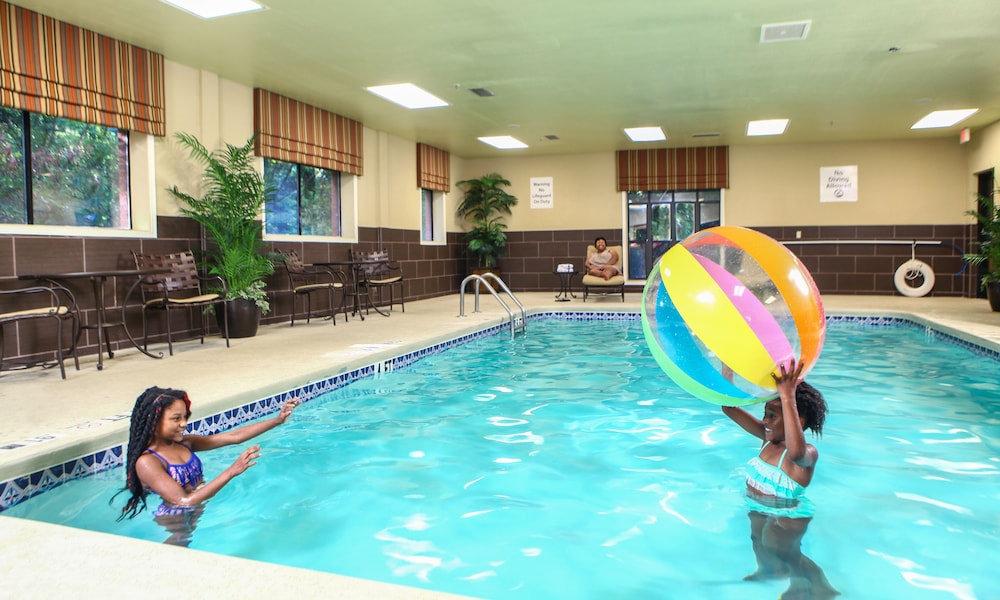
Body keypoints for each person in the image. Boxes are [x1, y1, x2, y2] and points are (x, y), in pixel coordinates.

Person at [113, 386, 300, 545]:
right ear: (153, 421)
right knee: (180, 546)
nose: (184, 424)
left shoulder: (185, 443)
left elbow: (233, 437)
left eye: (185, 417)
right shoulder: (148, 462)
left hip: (199, 503)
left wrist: (277, 420)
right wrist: (232, 471)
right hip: (175, 517)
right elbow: (183, 501)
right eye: (176, 419)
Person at [721, 359, 839, 599]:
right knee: (757, 540)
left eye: (773, 415)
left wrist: (787, 395)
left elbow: (797, 452)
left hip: (788, 514)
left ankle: (818, 586)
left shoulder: (805, 455)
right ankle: (768, 571)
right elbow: (728, 407)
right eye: (766, 414)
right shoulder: (767, 439)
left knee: (782, 551)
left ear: (798, 420)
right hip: (759, 506)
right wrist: (728, 368)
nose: (765, 421)